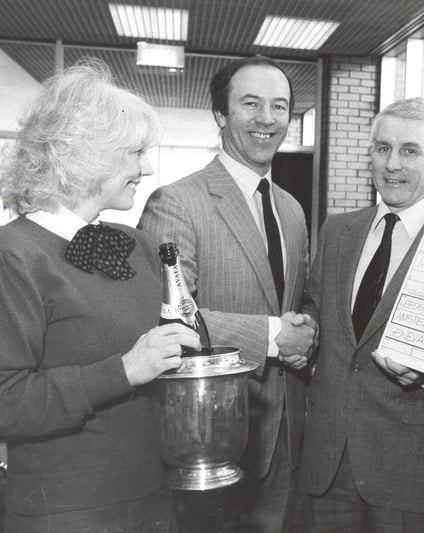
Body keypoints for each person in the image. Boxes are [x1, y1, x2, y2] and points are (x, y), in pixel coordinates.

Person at [0, 59, 200, 532]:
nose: (146, 168)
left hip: (156, 503)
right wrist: (125, 370)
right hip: (69, 515)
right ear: (84, 155)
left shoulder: (138, 245)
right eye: (134, 153)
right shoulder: (16, 256)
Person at [299, 97, 424, 533]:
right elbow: (317, 314)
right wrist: (305, 331)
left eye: (410, 151)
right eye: (382, 148)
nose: (392, 164)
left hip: (417, 477)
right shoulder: (338, 231)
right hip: (328, 468)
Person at [138, 55, 316, 532]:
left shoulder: (292, 210)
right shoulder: (177, 202)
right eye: (251, 104)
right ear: (220, 115)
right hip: (209, 437)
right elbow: (168, 322)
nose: (267, 119)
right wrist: (277, 337)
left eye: (279, 107)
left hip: (284, 435)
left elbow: (292, 306)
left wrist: (305, 334)